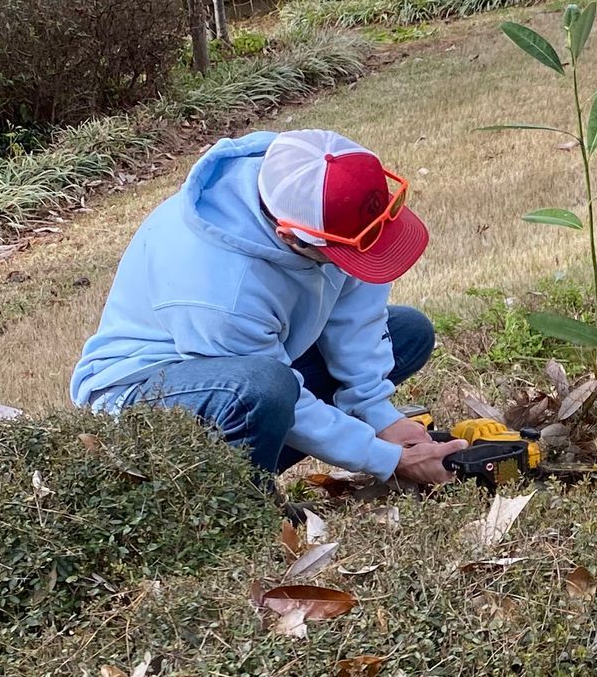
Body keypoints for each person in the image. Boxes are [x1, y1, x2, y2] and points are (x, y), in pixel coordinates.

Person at [70, 128, 461, 485]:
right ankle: (233, 499)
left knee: (408, 332)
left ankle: (255, 454)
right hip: (145, 393)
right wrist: (386, 459)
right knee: (266, 389)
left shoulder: (320, 182)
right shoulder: (220, 286)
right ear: (290, 237)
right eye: (340, 255)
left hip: (253, 367)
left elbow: (357, 305)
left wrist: (379, 416)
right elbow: (282, 390)